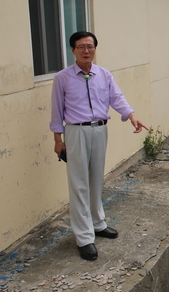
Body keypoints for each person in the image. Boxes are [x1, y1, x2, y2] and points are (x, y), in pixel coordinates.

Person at [50, 31, 148, 260]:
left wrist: (132, 115)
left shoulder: (103, 74)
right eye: (81, 46)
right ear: (73, 50)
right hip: (76, 131)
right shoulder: (62, 78)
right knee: (79, 183)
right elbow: (57, 111)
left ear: (95, 49)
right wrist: (58, 139)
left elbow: (117, 98)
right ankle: (84, 237)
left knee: (95, 179)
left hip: (100, 129)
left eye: (90, 46)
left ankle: (97, 223)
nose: (86, 51)